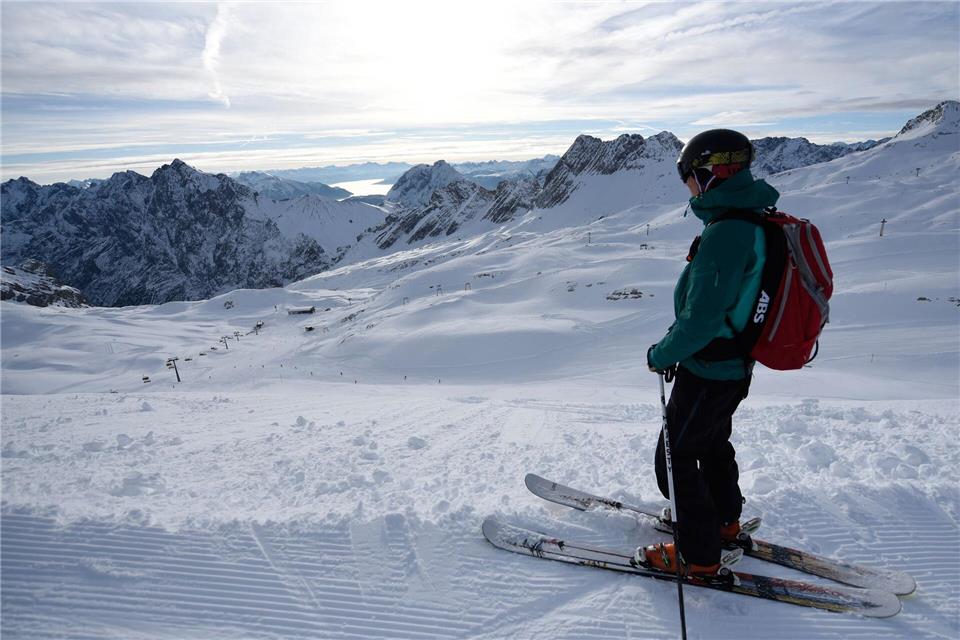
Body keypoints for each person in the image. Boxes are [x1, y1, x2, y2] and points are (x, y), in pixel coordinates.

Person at [640, 129, 779, 576]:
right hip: (732, 364)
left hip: (709, 367)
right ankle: (723, 523)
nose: (689, 189)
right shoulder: (751, 219)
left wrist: (662, 354)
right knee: (712, 443)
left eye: (689, 179)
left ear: (709, 174)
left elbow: (701, 319)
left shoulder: (727, 233)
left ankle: (698, 556)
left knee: (676, 457)